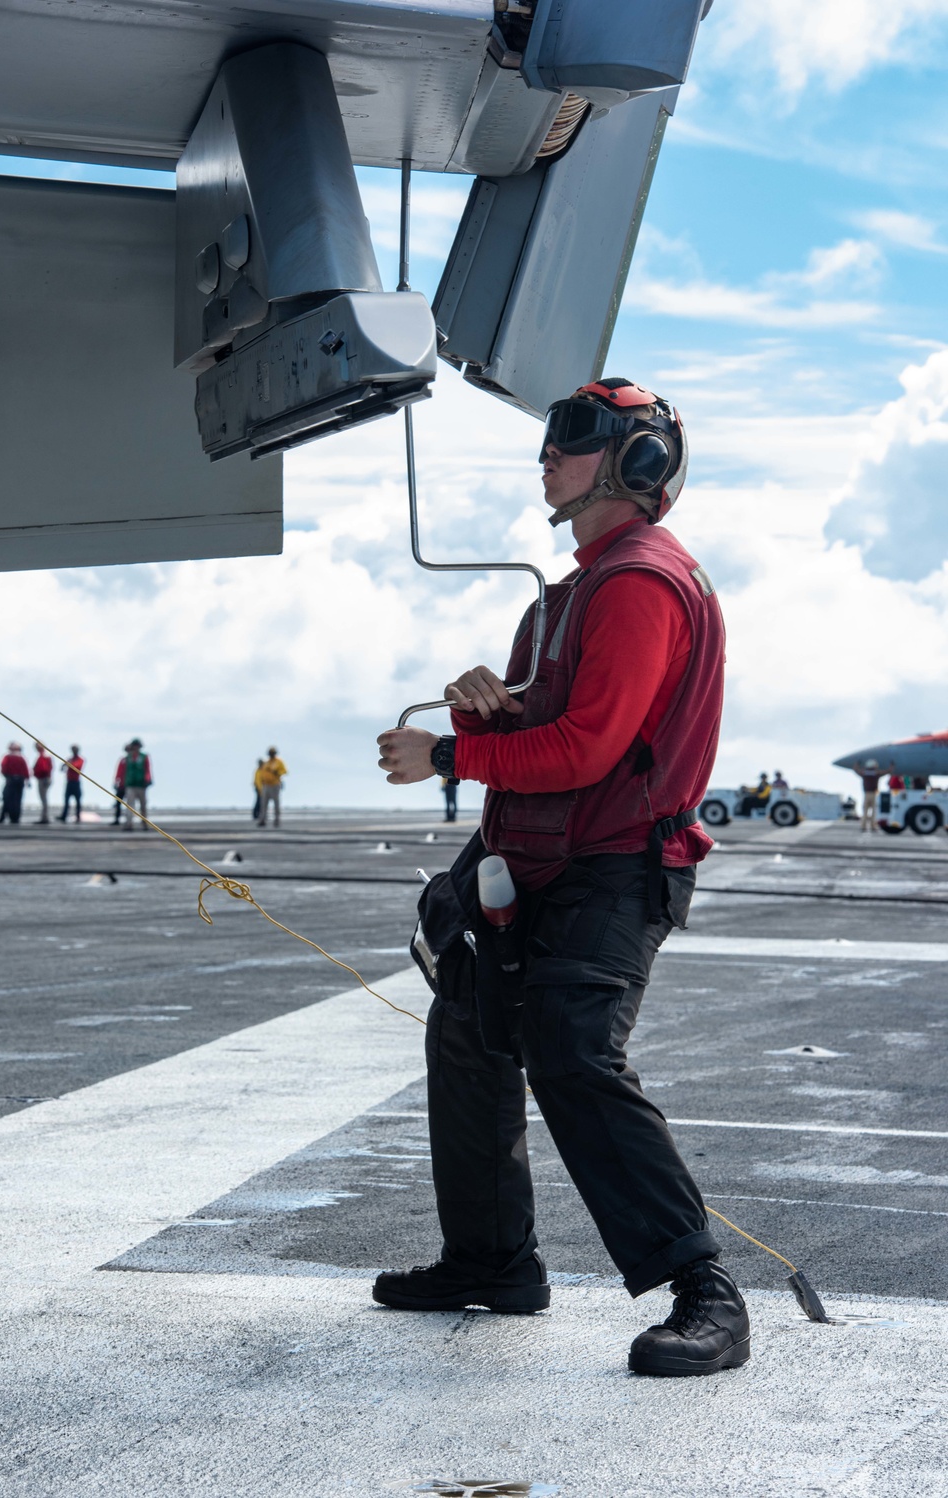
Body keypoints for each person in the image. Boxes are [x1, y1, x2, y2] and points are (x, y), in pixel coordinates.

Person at [374, 376, 747, 1378]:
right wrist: (482, 711)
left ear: (641, 463)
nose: (547, 454)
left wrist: (449, 755)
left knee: (573, 1051)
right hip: (534, 859)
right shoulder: (572, 591)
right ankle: (490, 1261)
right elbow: (549, 731)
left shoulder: (636, 582)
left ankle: (705, 1289)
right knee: (467, 1033)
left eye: (573, 436)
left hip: (611, 866)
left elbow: (587, 751)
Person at [121, 739, 152, 829]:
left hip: (141, 784)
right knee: (130, 805)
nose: (135, 747)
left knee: (143, 805)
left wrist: (147, 779)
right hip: (130, 784)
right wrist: (121, 783)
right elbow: (124, 771)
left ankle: (144, 823)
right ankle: (129, 823)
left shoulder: (144, 757)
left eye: (137, 745)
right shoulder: (127, 758)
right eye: (134, 745)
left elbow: (147, 769)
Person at [0, 741, 30, 824]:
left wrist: (7, 776)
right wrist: (27, 780)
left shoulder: (8, 757)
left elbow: (3, 768)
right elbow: (26, 770)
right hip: (18, 780)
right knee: (16, 799)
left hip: (11, 779)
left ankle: (5, 817)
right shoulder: (21, 757)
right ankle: (14, 818)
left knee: (8, 798)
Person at [257, 747, 287, 827]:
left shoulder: (279, 762)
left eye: (272, 753)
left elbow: (284, 771)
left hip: (275, 785)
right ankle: (262, 819)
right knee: (263, 803)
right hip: (266, 785)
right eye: (270, 753)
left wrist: (277, 772)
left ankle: (277, 820)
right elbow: (262, 773)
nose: (271, 754)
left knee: (276, 803)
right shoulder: (266, 763)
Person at [58, 744, 85, 823]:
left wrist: (68, 764)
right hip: (69, 782)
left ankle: (78, 816)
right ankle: (64, 815)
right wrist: (64, 765)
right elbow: (63, 767)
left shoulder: (80, 759)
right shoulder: (70, 759)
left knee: (78, 800)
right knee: (66, 800)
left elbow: (77, 767)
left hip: (76, 782)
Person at [854, 758, 881, 831]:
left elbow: (856, 770)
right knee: (874, 812)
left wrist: (857, 764)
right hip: (874, 794)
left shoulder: (864, 773)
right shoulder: (876, 773)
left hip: (866, 794)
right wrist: (892, 766)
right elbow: (887, 771)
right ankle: (873, 827)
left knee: (865, 811)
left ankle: (863, 827)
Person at [32, 742, 53, 824]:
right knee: (44, 798)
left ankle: (45, 817)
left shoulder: (44, 756)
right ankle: (44, 816)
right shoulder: (44, 755)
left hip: (43, 779)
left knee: (43, 798)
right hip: (44, 778)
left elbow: (44, 769)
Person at [111, 746, 128, 826]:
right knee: (118, 803)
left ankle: (128, 820)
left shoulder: (133, 760)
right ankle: (117, 819)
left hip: (130, 785)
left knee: (130, 804)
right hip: (121, 785)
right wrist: (116, 781)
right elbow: (119, 771)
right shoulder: (123, 760)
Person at [252, 758, 266, 823]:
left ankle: (261, 814)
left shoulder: (262, 770)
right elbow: (258, 781)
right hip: (259, 788)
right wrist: (260, 790)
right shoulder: (258, 771)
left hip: (263, 788)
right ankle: (256, 814)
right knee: (259, 802)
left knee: (262, 802)